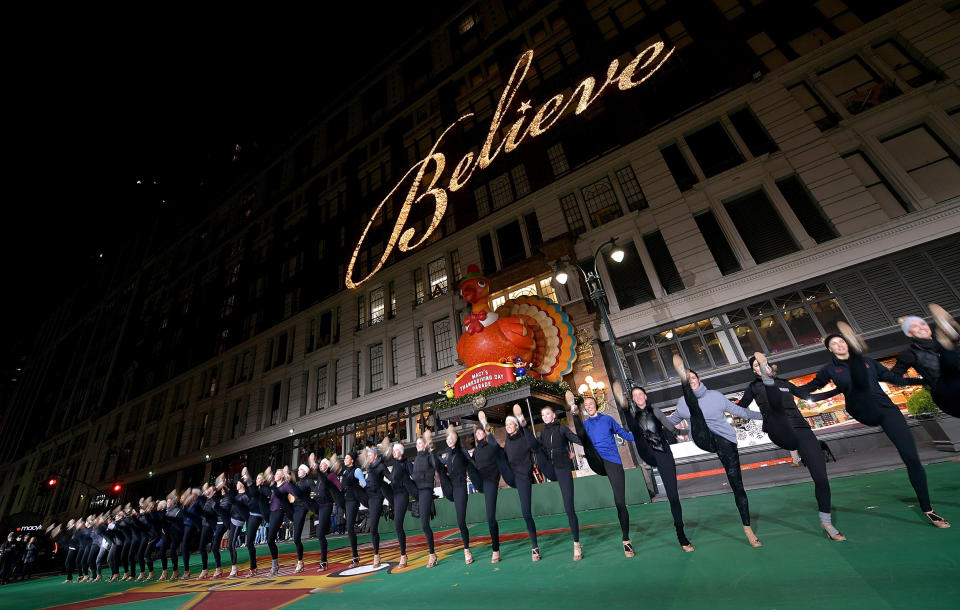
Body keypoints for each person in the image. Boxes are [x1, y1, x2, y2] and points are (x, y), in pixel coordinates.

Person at [798, 322, 949, 528]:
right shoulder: (829, 370)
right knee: (858, 381)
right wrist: (784, 390)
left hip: (886, 410)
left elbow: (893, 378)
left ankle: (928, 509)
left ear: (848, 343)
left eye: (842, 341)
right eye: (835, 343)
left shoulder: (870, 363)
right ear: (830, 349)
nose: (840, 344)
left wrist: (923, 382)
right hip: (862, 410)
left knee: (911, 457)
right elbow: (809, 388)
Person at [744, 353, 845, 541]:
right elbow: (741, 407)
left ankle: (826, 521)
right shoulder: (753, 387)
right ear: (755, 370)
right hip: (778, 429)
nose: (761, 366)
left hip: (801, 429)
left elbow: (807, 395)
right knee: (774, 401)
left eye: (764, 364)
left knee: (821, 478)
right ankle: (769, 387)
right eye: (758, 365)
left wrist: (839, 390)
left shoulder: (785, 383)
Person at [666, 356, 764, 547]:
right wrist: (646, 428)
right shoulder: (682, 403)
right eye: (686, 379)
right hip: (704, 438)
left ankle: (747, 528)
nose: (691, 381)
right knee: (695, 412)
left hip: (725, 440)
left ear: (699, 380)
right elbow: (670, 421)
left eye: (692, 378)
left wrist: (765, 416)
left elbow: (741, 412)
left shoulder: (715, 396)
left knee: (736, 483)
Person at [617, 385, 694, 552]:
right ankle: (623, 408)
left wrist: (690, 431)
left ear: (645, 396)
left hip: (662, 452)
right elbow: (632, 430)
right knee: (635, 428)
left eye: (640, 394)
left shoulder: (656, 410)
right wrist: (625, 410)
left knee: (673, 496)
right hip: (647, 453)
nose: (638, 397)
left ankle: (681, 535)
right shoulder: (633, 416)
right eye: (634, 395)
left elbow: (670, 427)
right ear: (633, 400)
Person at [569, 391, 637, 557]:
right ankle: (573, 414)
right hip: (596, 460)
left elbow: (623, 433)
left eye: (591, 404)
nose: (589, 407)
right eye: (586, 406)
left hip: (612, 461)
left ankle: (626, 540)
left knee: (620, 502)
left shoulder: (607, 419)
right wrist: (575, 415)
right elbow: (580, 437)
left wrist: (639, 437)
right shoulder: (585, 424)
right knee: (584, 438)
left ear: (596, 405)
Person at [535, 404, 585, 559]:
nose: (545, 417)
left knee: (569, 507)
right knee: (535, 448)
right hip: (550, 469)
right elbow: (538, 448)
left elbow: (576, 439)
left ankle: (576, 544)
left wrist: (588, 443)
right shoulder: (543, 432)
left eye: (547, 414)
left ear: (553, 415)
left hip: (563, 468)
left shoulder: (562, 429)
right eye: (543, 415)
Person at [893, 305, 960, 416]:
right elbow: (893, 377)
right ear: (909, 333)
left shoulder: (939, 341)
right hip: (948, 394)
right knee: (948, 352)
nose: (921, 327)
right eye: (914, 326)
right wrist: (922, 381)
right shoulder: (910, 354)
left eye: (923, 324)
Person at [499, 406, 543, 562]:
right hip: (513, 478)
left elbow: (534, 444)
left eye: (511, 424)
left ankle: (535, 547)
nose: (509, 427)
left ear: (517, 425)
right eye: (507, 425)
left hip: (524, 477)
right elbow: (503, 459)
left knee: (526, 513)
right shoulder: (507, 444)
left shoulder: (525, 438)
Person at [469, 416, 514, 564]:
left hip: (490, 481)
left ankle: (496, 549)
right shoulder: (475, 451)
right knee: (467, 462)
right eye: (477, 433)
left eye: (481, 432)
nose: (479, 434)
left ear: (485, 433)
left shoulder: (492, 447)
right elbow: (474, 467)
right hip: (480, 482)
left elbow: (501, 453)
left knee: (490, 517)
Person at [434, 426, 474, 564]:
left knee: (461, 521)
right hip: (450, 488)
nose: (449, 441)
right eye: (447, 438)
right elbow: (442, 463)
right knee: (439, 467)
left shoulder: (461, 451)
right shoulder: (447, 452)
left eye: (452, 438)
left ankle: (467, 550)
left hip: (460, 488)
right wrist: (432, 452)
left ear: (456, 439)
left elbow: (470, 462)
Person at [308, 455, 344, 572]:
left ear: (327, 466)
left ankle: (323, 561)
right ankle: (323, 560)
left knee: (319, 533)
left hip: (326, 506)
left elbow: (339, 488)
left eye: (324, 464)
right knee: (319, 534)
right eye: (321, 464)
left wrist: (338, 494)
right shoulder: (319, 477)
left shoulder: (330, 476)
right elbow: (317, 489)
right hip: (317, 506)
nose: (322, 465)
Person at [384, 443, 417, 568]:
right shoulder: (394, 460)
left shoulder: (406, 463)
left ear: (401, 452)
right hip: (393, 494)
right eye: (393, 451)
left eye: (396, 451)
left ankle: (403, 555)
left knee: (398, 524)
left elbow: (414, 475)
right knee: (397, 525)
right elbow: (386, 454)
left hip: (402, 494)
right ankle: (403, 554)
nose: (393, 452)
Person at [412, 433, 439, 567]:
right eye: (417, 444)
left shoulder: (429, 456)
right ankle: (433, 554)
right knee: (424, 524)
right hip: (418, 493)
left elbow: (435, 464)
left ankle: (432, 554)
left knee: (424, 524)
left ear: (425, 445)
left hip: (426, 491)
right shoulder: (416, 459)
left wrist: (431, 448)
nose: (418, 446)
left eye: (420, 443)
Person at [363, 446, 390, 568]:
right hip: (367, 495)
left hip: (376, 498)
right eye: (367, 455)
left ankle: (376, 555)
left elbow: (390, 478)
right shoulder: (369, 467)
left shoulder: (381, 466)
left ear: (375, 456)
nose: (368, 457)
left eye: (369, 455)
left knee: (373, 527)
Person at [338, 452, 367, 567]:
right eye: (344, 457)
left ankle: (355, 557)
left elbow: (364, 484)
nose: (344, 459)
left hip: (353, 501)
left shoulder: (357, 471)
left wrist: (361, 494)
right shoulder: (344, 472)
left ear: (352, 460)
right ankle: (355, 556)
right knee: (348, 527)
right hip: (345, 501)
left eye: (347, 458)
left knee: (349, 527)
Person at [267, 469, 296, 575]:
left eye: (278, 474)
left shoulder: (285, 485)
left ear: (282, 476)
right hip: (271, 513)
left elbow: (294, 494)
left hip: (279, 512)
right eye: (275, 473)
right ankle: (275, 564)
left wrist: (291, 503)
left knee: (270, 540)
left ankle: (274, 565)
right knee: (269, 540)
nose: (275, 475)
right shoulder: (274, 486)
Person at [291, 465, 315, 573]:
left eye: (301, 469)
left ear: (305, 472)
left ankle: (300, 562)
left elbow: (316, 491)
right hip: (295, 509)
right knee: (295, 538)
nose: (299, 471)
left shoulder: (308, 481)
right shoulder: (298, 482)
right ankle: (300, 561)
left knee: (296, 538)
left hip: (302, 508)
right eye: (299, 469)